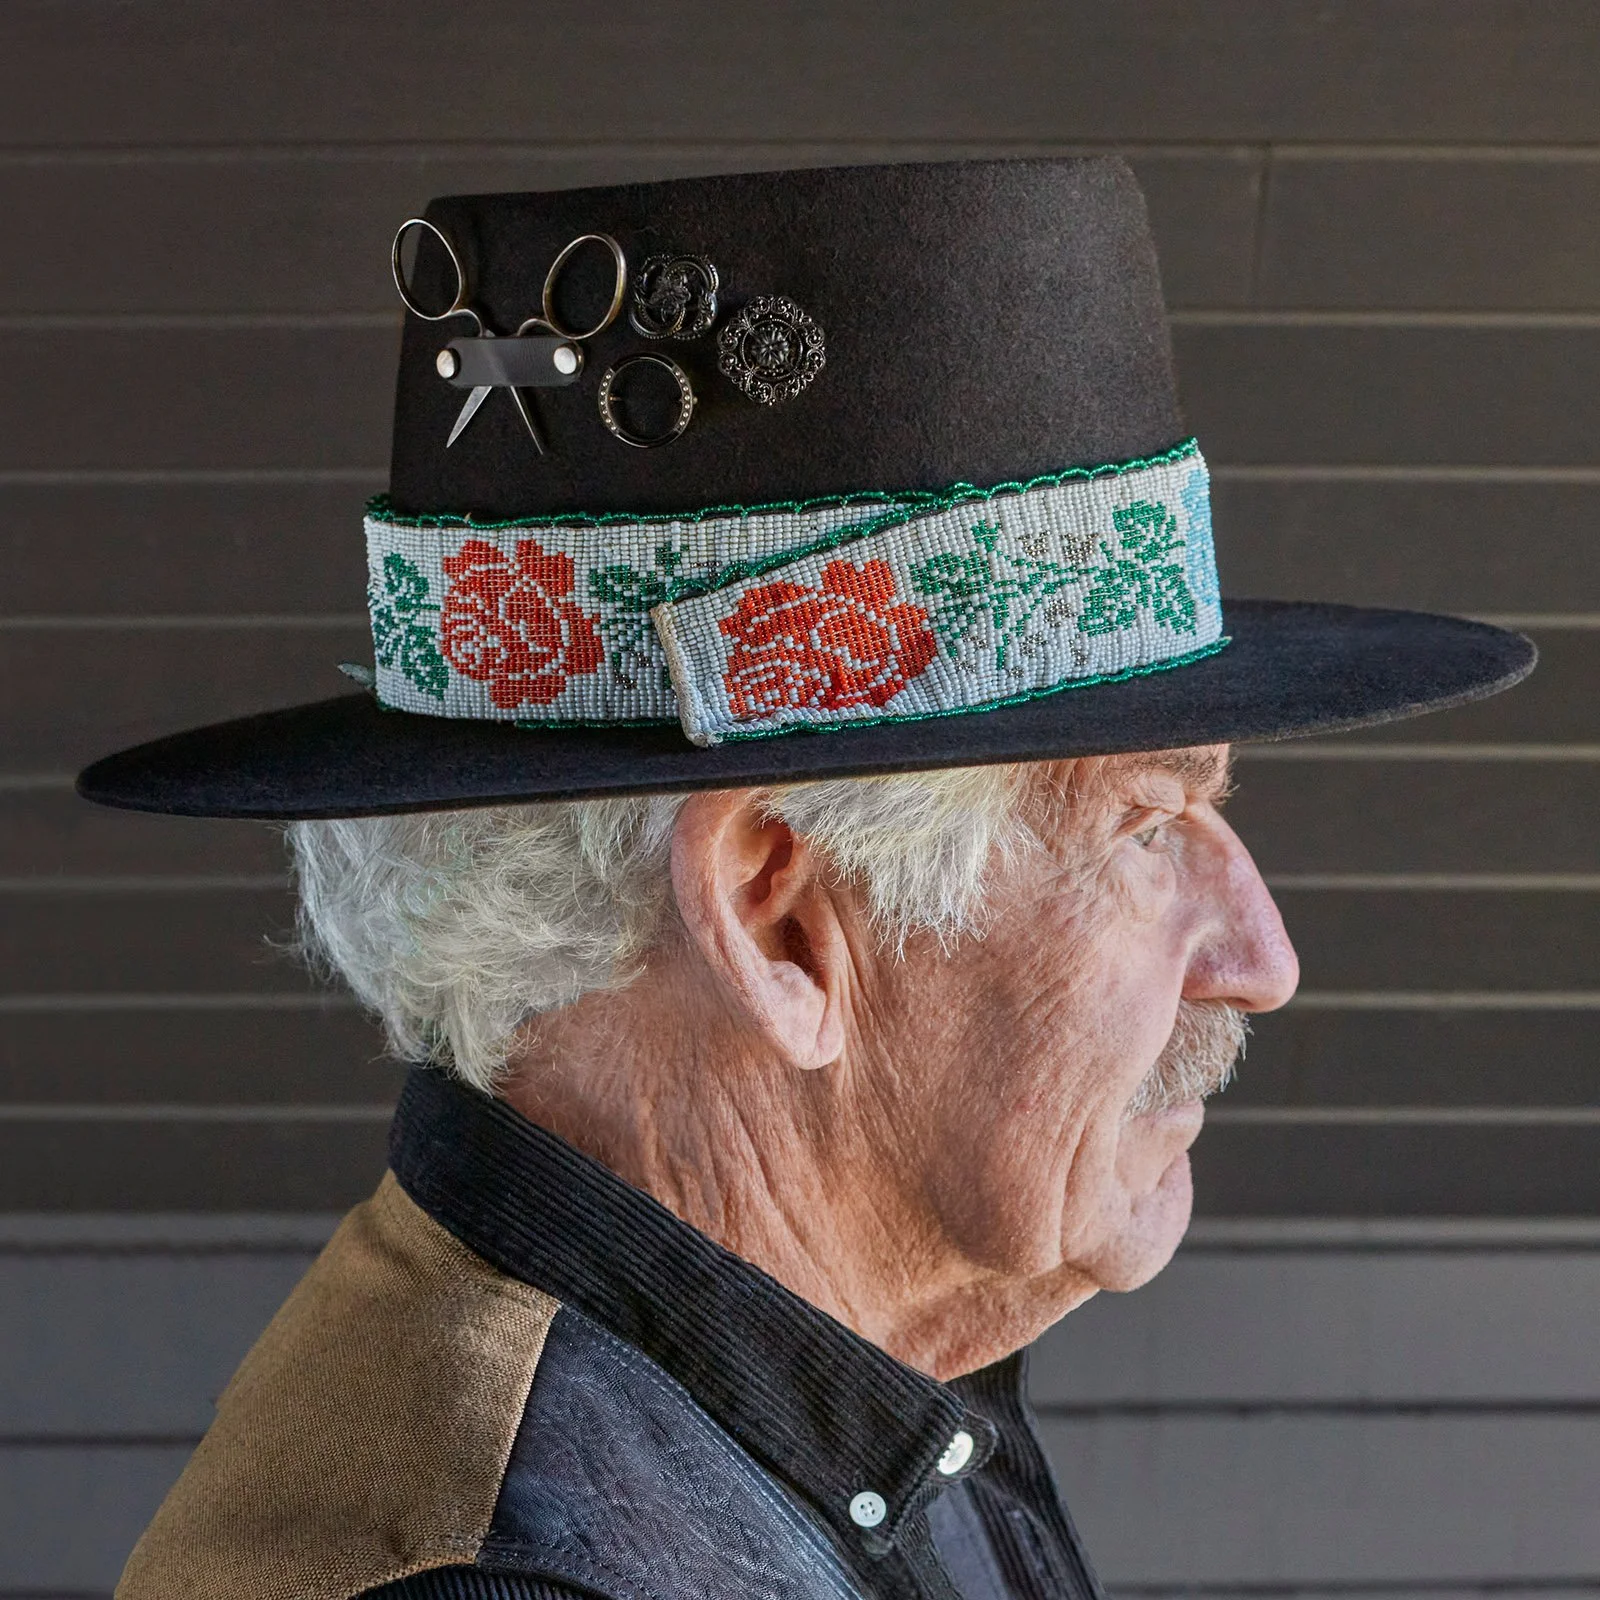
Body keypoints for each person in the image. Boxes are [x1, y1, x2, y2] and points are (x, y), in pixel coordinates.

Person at [80, 158, 1532, 1600]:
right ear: (777, 922)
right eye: (1146, 828)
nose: (1262, 960)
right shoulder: (513, 1574)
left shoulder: (847, 1376)